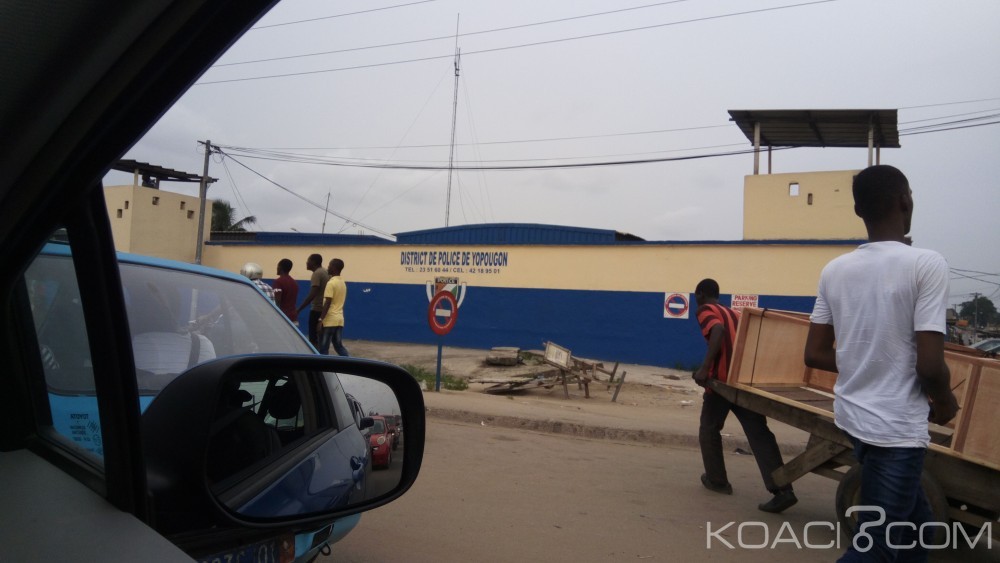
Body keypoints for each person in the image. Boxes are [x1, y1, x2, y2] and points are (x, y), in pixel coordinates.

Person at [804, 165, 958, 562]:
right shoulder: (926, 264)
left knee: (919, 529)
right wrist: (945, 399)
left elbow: (815, 354)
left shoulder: (834, 270)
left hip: (856, 418)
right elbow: (929, 366)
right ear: (906, 201)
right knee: (878, 548)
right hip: (895, 429)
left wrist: (868, 360)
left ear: (859, 211)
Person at [693, 278, 797, 513]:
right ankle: (783, 490)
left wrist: (704, 368)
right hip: (740, 381)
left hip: (721, 384)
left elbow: (717, 331)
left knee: (709, 429)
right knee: (759, 434)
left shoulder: (705, 310)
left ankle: (717, 481)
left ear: (700, 294)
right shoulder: (734, 313)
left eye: (696, 294)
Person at [296, 254, 329, 347]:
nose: (306, 262)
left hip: (317, 309)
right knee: (322, 338)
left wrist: (299, 309)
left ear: (313, 262)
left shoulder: (317, 273)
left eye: (308, 260)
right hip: (324, 310)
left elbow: (312, 294)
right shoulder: (325, 271)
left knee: (313, 339)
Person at [318, 258, 349, 356]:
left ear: (334, 268)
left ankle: (323, 370)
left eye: (329, 265)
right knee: (338, 346)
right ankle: (350, 364)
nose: (328, 267)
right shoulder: (342, 283)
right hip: (339, 319)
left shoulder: (331, 283)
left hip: (330, 320)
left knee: (323, 348)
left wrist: (320, 320)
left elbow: (327, 302)